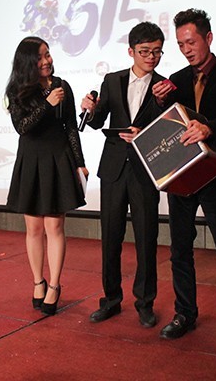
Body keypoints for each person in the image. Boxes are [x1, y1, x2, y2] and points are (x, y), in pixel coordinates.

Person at [152, 8, 216, 350]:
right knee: (179, 249)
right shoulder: (175, 80)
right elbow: (169, 125)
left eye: (191, 42)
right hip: (183, 174)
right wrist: (160, 102)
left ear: (208, 37)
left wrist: (209, 128)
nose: (186, 49)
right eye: (180, 44)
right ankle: (184, 313)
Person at [79, 21, 167, 328]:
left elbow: (169, 129)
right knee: (110, 237)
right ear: (131, 51)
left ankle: (145, 303)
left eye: (157, 51)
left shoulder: (165, 86)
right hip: (114, 168)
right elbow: (97, 121)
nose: (151, 57)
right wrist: (90, 109)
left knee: (146, 238)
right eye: (145, 51)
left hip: (145, 168)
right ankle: (111, 300)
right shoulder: (112, 80)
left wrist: (145, 134)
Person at [5, 36, 89, 316]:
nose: (47, 61)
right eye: (40, 57)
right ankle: (37, 282)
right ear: (28, 62)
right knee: (33, 229)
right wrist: (47, 104)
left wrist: (80, 163)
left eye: (48, 54)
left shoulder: (62, 85)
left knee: (55, 227)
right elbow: (23, 127)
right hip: (31, 160)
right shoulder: (17, 90)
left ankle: (54, 285)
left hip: (57, 158)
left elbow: (71, 127)